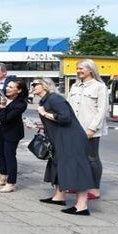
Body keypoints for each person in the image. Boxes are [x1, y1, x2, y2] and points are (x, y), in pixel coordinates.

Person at [33, 77, 94, 216]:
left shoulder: (55, 99)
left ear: (45, 85)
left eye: (35, 84)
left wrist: (44, 114)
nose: (33, 86)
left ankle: (82, 206)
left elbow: (66, 118)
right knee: (58, 166)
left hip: (71, 140)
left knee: (76, 169)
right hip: (60, 139)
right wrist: (41, 124)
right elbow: (55, 119)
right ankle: (59, 197)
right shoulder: (45, 100)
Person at [67, 58, 108, 200]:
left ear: (90, 70)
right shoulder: (75, 86)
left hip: (90, 130)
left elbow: (102, 110)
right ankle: (77, 184)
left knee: (92, 158)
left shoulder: (99, 86)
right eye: (77, 68)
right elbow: (69, 107)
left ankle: (94, 188)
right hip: (74, 128)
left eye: (81, 68)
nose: (78, 71)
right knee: (75, 157)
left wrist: (92, 129)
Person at [0, 79, 29, 193]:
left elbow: (5, 119)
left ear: (19, 90)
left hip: (12, 131)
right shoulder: (0, 94)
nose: (7, 89)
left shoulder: (21, 104)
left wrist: (2, 106)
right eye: (7, 86)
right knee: (1, 153)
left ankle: (11, 183)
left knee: (9, 155)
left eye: (11, 87)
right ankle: (3, 176)